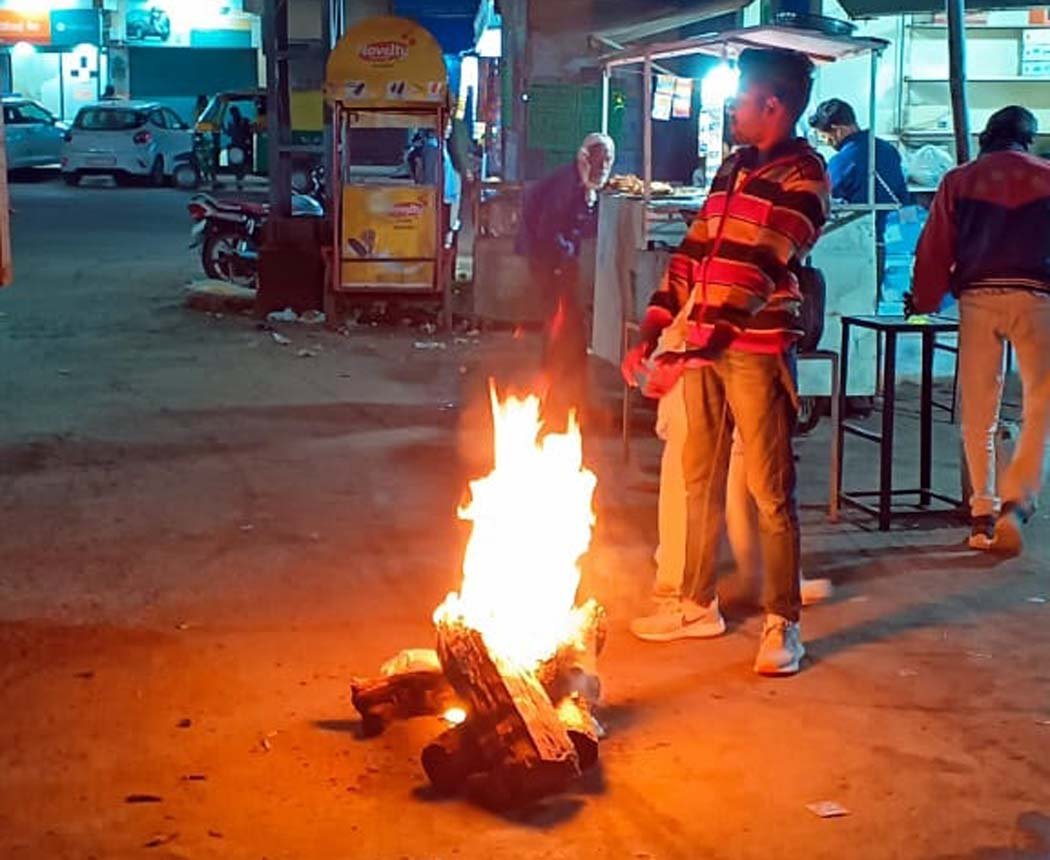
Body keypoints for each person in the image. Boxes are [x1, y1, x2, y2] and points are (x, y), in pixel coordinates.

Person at [621, 48, 830, 676]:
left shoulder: (806, 176)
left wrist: (700, 346)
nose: (732, 108)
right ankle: (695, 604)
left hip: (756, 349)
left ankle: (782, 623)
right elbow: (694, 251)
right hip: (705, 343)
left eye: (740, 98)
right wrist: (656, 327)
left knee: (770, 490)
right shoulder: (733, 167)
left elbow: (763, 266)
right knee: (698, 478)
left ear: (773, 105)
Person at [908, 105, 1050, 555]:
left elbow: (935, 247)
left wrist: (924, 302)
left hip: (978, 300)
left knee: (978, 410)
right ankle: (1017, 503)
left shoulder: (959, 180)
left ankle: (981, 514)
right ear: (1028, 139)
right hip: (1037, 301)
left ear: (987, 136)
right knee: (1040, 406)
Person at [516, 133, 615, 428]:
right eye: (598, 160)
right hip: (547, 262)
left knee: (570, 331)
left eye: (608, 160)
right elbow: (548, 232)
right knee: (562, 330)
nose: (603, 167)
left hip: (559, 262)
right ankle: (555, 403)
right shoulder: (565, 186)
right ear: (584, 158)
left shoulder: (583, 184)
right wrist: (564, 262)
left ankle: (571, 400)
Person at [808, 98, 910, 291]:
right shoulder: (889, 151)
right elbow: (902, 197)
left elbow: (824, 201)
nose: (827, 142)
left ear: (838, 130)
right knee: (871, 303)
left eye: (825, 136)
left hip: (851, 248)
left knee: (846, 302)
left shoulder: (842, 160)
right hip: (882, 244)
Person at [225, 106, 253, 189]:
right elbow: (230, 133)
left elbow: (248, 132)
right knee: (237, 164)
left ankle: (239, 178)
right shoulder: (234, 122)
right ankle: (239, 179)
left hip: (241, 145)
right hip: (238, 144)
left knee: (240, 164)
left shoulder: (243, 121)